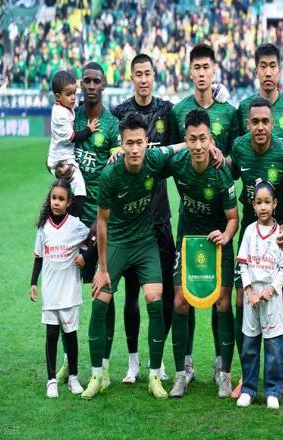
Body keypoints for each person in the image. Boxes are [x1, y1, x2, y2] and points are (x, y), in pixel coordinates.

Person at [80, 112, 186, 400]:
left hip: (144, 243)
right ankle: (97, 376)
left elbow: (175, 147)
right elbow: (102, 223)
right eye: (130, 143)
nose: (135, 149)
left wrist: (200, 143)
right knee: (100, 302)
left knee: (155, 300)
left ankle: (154, 376)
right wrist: (102, 268)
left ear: (146, 142)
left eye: (140, 142)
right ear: (122, 145)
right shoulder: (110, 174)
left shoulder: (153, 159)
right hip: (117, 243)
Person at [169, 43, 240, 383]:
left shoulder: (229, 111)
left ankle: (220, 366)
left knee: (221, 299)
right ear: (190, 71)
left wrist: (223, 159)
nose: (201, 73)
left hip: (221, 214)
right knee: (182, 298)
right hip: (188, 222)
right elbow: (169, 154)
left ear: (214, 70)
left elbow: (238, 158)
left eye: (206, 67)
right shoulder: (178, 110)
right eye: (196, 67)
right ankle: (184, 366)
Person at [229, 97, 283, 401]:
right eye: (255, 122)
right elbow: (230, 174)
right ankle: (245, 376)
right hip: (250, 235)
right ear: (248, 124)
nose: (260, 127)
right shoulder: (239, 147)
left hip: (279, 237)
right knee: (241, 300)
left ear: (272, 124)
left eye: (265, 122)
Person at [56, 62, 121, 392]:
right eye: (87, 81)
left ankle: (104, 366)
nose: (91, 86)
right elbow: (59, 154)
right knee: (65, 296)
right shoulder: (72, 115)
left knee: (102, 294)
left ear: (104, 85)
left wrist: (100, 222)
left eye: (97, 81)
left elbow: (115, 175)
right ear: (81, 84)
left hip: (99, 220)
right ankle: (70, 361)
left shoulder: (111, 124)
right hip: (71, 218)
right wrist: (59, 171)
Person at [112, 53, 176, 384]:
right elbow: (103, 146)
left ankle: (157, 359)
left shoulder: (166, 110)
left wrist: (218, 93)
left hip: (160, 218)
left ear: (154, 75)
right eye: (138, 74)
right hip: (130, 220)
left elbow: (193, 129)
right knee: (132, 295)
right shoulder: (119, 113)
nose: (143, 79)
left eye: (148, 73)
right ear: (132, 77)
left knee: (164, 293)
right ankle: (133, 362)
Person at [30, 179, 90, 398]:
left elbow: (93, 239)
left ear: (69, 202)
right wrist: (33, 283)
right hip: (50, 292)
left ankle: (73, 377)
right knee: (52, 335)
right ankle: (51, 380)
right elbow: (38, 257)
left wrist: (85, 257)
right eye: (53, 198)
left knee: (71, 335)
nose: (56, 202)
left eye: (61, 199)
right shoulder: (43, 227)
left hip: (70, 292)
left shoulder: (75, 225)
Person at [236, 181, 283, 410]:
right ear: (254, 205)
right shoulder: (249, 231)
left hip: (271, 296)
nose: (263, 206)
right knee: (249, 344)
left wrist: (270, 290)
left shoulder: (281, 233)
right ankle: (248, 389)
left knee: (274, 345)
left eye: (267, 202)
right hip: (252, 297)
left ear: (275, 203)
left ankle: (273, 391)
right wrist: (249, 291)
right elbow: (243, 264)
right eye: (259, 202)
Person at [46, 70, 99, 215]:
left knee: (67, 192)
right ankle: (74, 220)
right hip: (62, 160)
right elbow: (73, 137)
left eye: (74, 93)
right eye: (69, 94)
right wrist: (89, 129)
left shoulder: (64, 105)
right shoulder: (60, 114)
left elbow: (76, 107)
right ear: (58, 96)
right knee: (80, 190)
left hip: (61, 155)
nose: (73, 97)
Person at [237, 43, 283, 148]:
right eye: (263, 66)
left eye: (273, 66)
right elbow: (235, 147)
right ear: (256, 71)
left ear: (279, 71)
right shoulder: (244, 107)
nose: (268, 73)